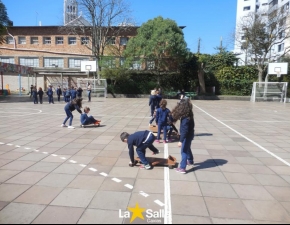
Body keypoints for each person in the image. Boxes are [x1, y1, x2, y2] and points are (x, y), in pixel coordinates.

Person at [171, 98, 195, 174]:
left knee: (183, 151)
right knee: (187, 148)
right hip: (190, 135)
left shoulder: (185, 118)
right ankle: (190, 160)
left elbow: (185, 130)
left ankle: (182, 168)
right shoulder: (189, 114)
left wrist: (181, 141)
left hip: (187, 136)